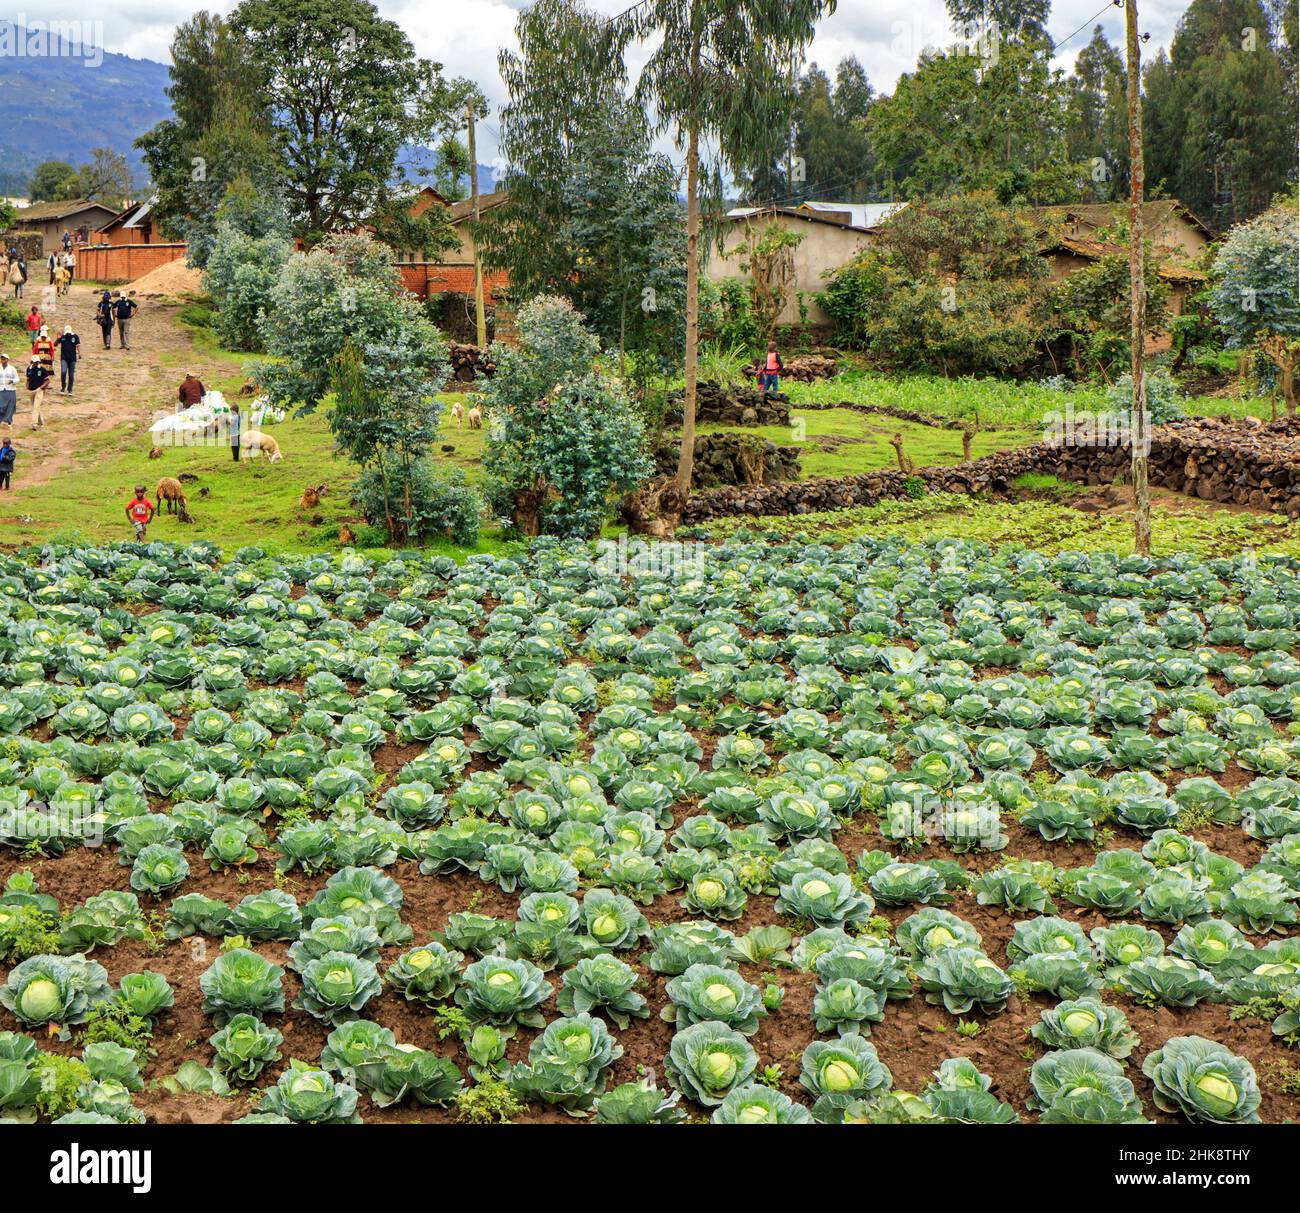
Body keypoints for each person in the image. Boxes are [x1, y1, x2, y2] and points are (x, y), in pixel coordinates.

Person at [25, 355, 49, 427]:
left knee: (36, 406)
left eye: (37, 362)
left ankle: (34, 423)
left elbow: (47, 380)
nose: (36, 363)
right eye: (35, 362)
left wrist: (41, 388)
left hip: (39, 390)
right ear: (31, 362)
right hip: (31, 390)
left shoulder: (42, 369)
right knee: (35, 407)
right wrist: (27, 386)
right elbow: (28, 379)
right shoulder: (28, 369)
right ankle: (40, 422)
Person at [57, 326, 79, 395]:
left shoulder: (75, 337)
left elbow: (78, 345)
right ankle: (63, 387)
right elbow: (55, 344)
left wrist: (80, 353)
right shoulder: (63, 337)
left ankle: (70, 390)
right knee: (63, 372)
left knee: (71, 374)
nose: (68, 334)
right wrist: (58, 338)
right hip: (64, 358)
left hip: (72, 358)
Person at [0, 353, 17, 426]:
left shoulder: (12, 368)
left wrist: (12, 381)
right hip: (1, 389)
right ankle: (1, 420)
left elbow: (17, 378)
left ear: (8, 360)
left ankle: (7, 421)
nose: (3, 360)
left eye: (4, 359)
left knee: (10, 405)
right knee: (1, 406)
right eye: (2, 359)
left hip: (10, 389)